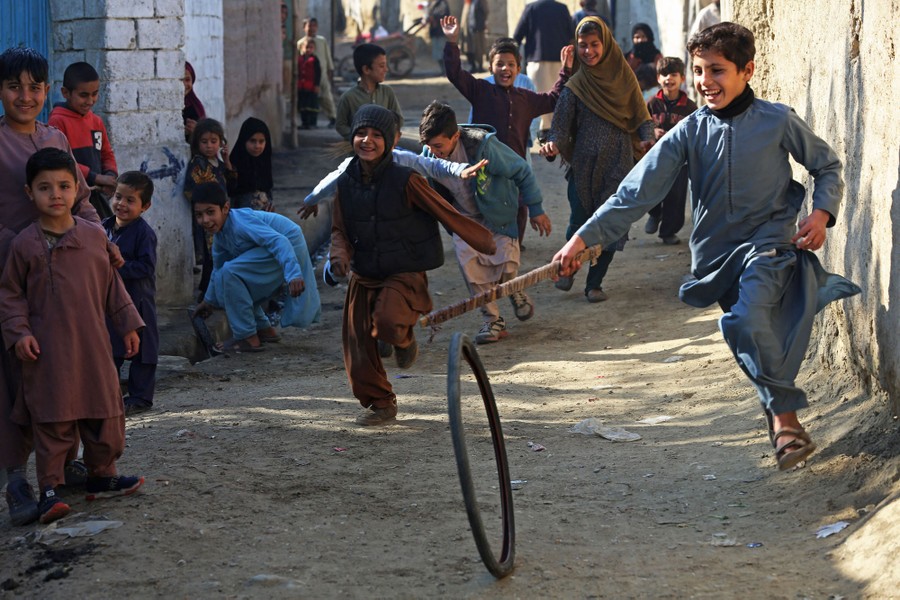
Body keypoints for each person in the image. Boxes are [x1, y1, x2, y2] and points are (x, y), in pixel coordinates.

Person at [552, 22, 861, 471]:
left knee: (749, 319)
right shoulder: (688, 133)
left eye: (717, 70)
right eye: (699, 70)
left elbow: (826, 165)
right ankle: (781, 414)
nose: (704, 82)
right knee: (751, 335)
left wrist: (821, 213)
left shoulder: (777, 121)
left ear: (747, 70)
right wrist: (582, 238)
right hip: (716, 262)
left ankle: (784, 422)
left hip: (770, 245)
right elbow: (634, 194)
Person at [0, 47, 116, 527]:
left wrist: (104, 244)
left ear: (47, 91)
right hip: (11, 274)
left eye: (35, 87)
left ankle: (63, 467)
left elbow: (83, 201)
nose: (25, 96)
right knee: (14, 380)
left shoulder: (54, 138)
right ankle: (16, 480)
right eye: (14, 87)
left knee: (65, 369)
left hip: (65, 282)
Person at [0, 148, 145, 524]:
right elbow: (10, 295)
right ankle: (50, 488)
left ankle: (102, 474)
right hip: (46, 353)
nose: (56, 195)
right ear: (29, 193)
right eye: (45, 188)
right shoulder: (24, 245)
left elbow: (113, 287)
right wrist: (19, 334)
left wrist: (127, 325)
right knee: (53, 418)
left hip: (94, 346)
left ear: (77, 188)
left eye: (65, 186)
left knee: (103, 412)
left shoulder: (95, 237)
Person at [330, 105, 495, 426]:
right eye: (361, 134)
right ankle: (381, 403)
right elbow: (339, 229)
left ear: (391, 142)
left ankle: (404, 340)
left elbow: (444, 211)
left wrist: (484, 241)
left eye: (377, 135)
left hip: (403, 270)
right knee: (358, 348)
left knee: (389, 322)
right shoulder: (345, 181)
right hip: (364, 273)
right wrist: (339, 256)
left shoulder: (406, 178)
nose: (367, 140)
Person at [541, 17, 654, 304]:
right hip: (583, 167)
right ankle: (566, 268)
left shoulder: (624, 77)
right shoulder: (576, 85)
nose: (588, 51)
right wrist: (553, 141)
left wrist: (646, 137)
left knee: (611, 225)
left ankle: (594, 283)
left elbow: (641, 114)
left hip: (619, 163)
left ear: (606, 44)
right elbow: (561, 124)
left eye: (594, 45)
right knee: (579, 223)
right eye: (583, 46)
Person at [420, 101, 551, 344]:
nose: (434, 152)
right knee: (471, 269)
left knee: (507, 266)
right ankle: (492, 321)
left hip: (498, 214)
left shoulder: (483, 146)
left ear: (456, 136)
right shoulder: (428, 156)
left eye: (438, 146)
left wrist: (536, 209)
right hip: (464, 220)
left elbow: (521, 170)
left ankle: (513, 288)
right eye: (429, 146)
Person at [442, 19, 572, 246]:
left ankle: (513, 246)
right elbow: (455, 73)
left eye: (511, 64)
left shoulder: (526, 98)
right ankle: (484, 247)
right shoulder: (480, 91)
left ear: (518, 69)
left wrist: (566, 70)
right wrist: (452, 42)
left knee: (519, 207)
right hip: (485, 168)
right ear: (491, 68)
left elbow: (554, 98)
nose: (506, 69)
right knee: (483, 209)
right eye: (500, 64)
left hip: (514, 168)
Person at [192, 182, 321, 353]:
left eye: (210, 212)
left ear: (225, 208)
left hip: (286, 245)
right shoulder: (221, 237)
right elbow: (217, 268)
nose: (205, 220)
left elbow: (279, 241)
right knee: (234, 279)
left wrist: (293, 274)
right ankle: (263, 329)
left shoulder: (240, 223)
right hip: (279, 250)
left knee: (231, 273)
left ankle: (246, 337)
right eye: (199, 215)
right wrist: (208, 301)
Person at [103, 171, 159, 417]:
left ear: (144, 206)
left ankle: (140, 397)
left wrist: (120, 265)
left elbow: (146, 267)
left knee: (144, 352)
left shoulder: (143, 234)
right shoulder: (103, 227)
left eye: (130, 200)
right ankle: (107, 394)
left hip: (139, 300)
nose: (121, 204)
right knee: (110, 348)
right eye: (118, 197)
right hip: (111, 302)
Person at [48, 61, 117, 219]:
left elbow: (106, 153)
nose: (90, 101)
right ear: (65, 93)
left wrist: (110, 175)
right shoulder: (57, 121)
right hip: (71, 201)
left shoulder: (96, 121)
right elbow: (59, 161)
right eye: (83, 95)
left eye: (95, 94)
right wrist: (94, 177)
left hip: (96, 198)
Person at [643, 57, 697, 245]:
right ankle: (655, 213)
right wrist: (652, 131)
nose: (669, 79)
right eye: (664, 74)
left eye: (674, 74)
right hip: (655, 158)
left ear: (682, 78)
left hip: (679, 160)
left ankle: (668, 232)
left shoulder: (690, 107)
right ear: (658, 78)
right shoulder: (651, 104)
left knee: (676, 196)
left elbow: (695, 131)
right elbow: (642, 124)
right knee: (652, 189)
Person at [183, 118, 236, 300]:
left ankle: (214, 290)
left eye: (214, 141)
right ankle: (206, 292)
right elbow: (191, 190)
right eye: (204, 142)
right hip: (208, 219)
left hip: (222, 216)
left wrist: (227, 160)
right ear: (197, 143)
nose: (209, 146)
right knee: (211, 255)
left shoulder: (218, 163)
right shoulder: (198, 164)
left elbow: (233, 182)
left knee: (220, 253)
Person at [513, 0, 575, 135]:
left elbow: (517, 36)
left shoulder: (531, 8)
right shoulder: (562, 9)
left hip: (537, 61)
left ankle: (542, 130)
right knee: (558, 95)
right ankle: (557, 129)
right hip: (561, 61)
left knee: (538, 98)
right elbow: (572, 36)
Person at [334, 43, 403, 140]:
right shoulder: (348, 97)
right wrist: (358, 138)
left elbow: (398, 119)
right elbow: (340, 125)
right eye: (381, 66)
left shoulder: (387, 92)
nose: (386, 69)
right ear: (366, 69)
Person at [297, 17, 337, 127]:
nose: (312, 28)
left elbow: (327, 56)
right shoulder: (301, 43)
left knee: (326, 96)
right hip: (307, 78)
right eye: (309, 26)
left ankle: (333, 117)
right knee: (308, 100)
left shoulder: (321, 41)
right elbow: (299, 60)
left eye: (314, 26)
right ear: (304, 28)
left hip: (321, 74)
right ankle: (308, 121)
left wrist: (330, 69)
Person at [229, 117, 275, 211]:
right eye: (252, 141)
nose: (257, 146)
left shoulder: (264, 164)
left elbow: (268, 192)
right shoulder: (233, 166)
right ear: (244, 141)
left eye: (261, 141)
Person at [297, 38, 322, 130]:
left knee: (312, 105)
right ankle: (304, 123)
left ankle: (312, 123)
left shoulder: (315, 60)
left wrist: (317, 85)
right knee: (303, 106)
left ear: (314, 49)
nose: (308, 49)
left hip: (311, 87)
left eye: (311, 47)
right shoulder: (299, 59)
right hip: (301, 87)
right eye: (306, 47)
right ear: (302, 48)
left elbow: (318, 73)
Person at [460, 0, 489, 72]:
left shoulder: (480, 1)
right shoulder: (467, 3)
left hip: (477, 28)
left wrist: (481, 23)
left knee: (478, 47)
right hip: (466, 28)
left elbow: (485, 11)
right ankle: (472, 65)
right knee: (467, 47)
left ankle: (480, 66)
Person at [182, 62, 206, 142]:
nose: (184, 84)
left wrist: (197, 132)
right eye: (180, 80)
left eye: (187, 80)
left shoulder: (196, 106)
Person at [426, 0, 451, 75]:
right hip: (434, 31)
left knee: (442, 52)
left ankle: (446, 71)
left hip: (441, 31)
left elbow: (444, 15)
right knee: (437, 53)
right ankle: (442, 70)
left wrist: (433, 17)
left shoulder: (443, 3)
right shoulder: (432, 4)